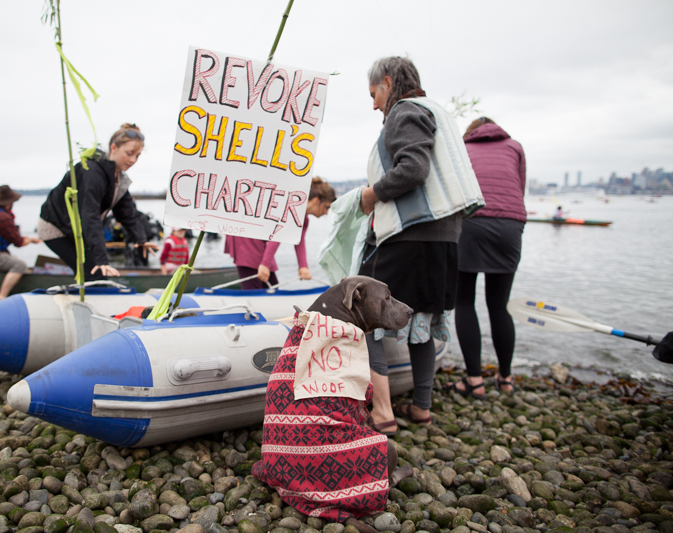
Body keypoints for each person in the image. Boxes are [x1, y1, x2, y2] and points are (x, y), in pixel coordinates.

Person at [359, 56, 484, 433]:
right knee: (423, 322)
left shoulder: (405, 112)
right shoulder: (438, 113)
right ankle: (422, 407)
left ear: (387, 82)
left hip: (411, 237)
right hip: (445, 239)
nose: (374, 104)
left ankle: (382, 412)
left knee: (365, 312)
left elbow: (413, 168)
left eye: (374, 94)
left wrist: (372, 194)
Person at [449, 117, 526, 397]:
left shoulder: (461, 148)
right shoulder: (514, 146)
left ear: (471, 133)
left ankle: (475, 380)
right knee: (499, 305)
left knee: (464, 301)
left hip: (471, 223)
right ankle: (505, 379)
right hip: (510, 226)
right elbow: (520, 188)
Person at [38, 123, 159, 280]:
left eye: (137, 156)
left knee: (96, 272)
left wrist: (141, 239)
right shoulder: (91, 171)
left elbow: (127, 213)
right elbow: (90, 215)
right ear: (113, 148)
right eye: (129, 153)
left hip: (79, 228)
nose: (133, 160)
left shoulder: (118, 177)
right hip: (57, 228)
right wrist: (101, 259)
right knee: (94, 271)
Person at [224, 177, 336, 289]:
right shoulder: (290, 208)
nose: (326, 213)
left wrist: (303, 266)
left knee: (271, 283)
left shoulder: (304, 219)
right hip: (245, 236)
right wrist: (264, 264)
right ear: (316, 200)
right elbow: (277, 235)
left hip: (260, 241)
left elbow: (299, 241)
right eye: (326, 207)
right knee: (255, 282)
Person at [0, 186, 41, 301]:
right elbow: (19, 243)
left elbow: (11, 236)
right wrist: (31, 240)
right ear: (9, 203)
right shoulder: (1, 217)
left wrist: (27, 239)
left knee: (20, 266)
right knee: (20, 265)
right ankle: (1, 297)